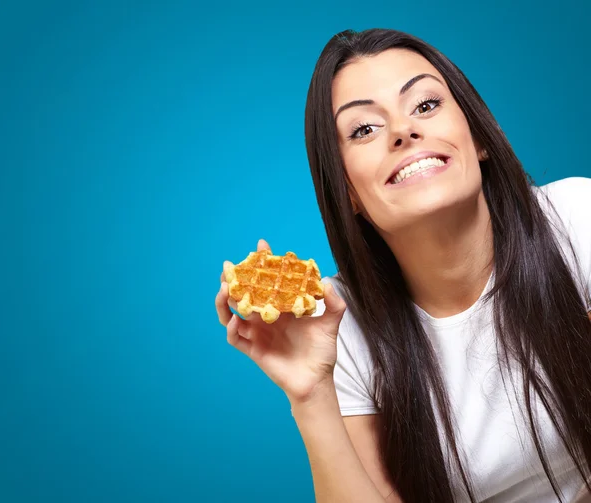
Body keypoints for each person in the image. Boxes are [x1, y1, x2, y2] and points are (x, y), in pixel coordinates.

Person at [215, 28, 591, 502]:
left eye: (426, 105)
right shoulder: (337, 324)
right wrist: (310, 395)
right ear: (348, 192)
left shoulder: (577, 220)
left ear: (478, 138)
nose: (403, 132)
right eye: (364, 130)